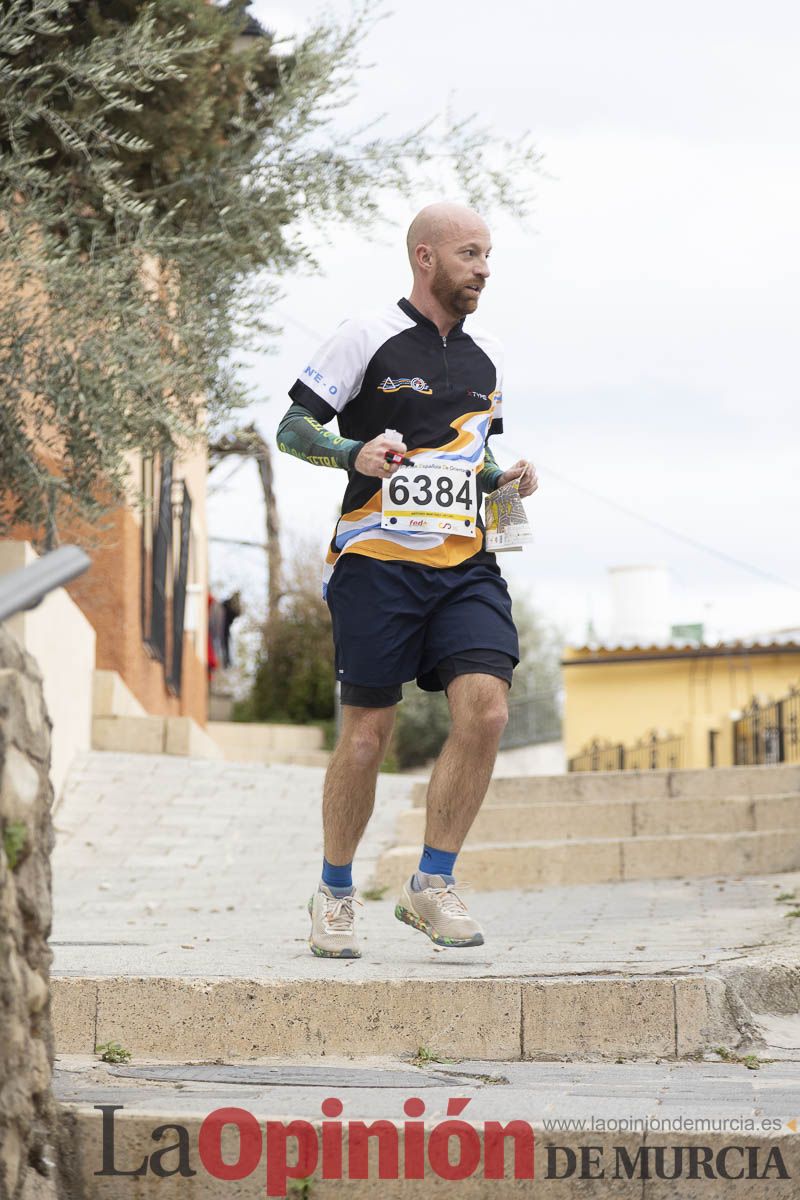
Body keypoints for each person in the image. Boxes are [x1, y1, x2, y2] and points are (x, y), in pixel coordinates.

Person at [276, 201, 538, 958]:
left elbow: (474, 459)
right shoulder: (366, 335)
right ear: (425, 257)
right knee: (367, 738)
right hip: (376, 564)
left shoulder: (488, 355)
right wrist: (350, 452)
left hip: (466, 563)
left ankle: (432, 883)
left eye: (488, 255)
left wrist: (506, 479)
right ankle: (333, 892)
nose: (484, 268)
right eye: (469, 253)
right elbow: (293, 428)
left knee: (486, 711)